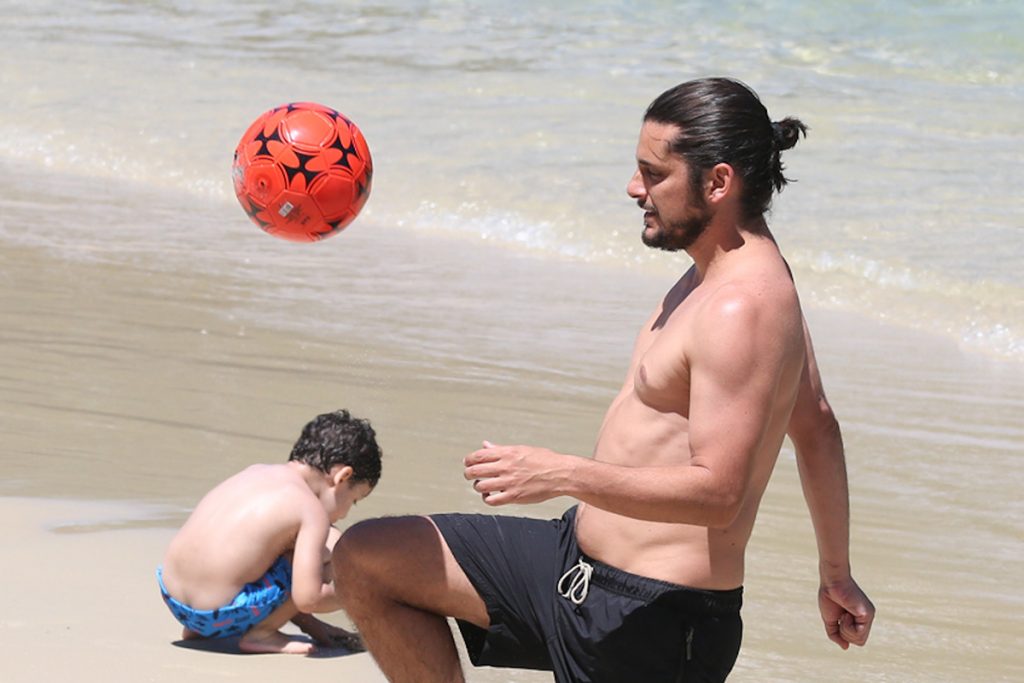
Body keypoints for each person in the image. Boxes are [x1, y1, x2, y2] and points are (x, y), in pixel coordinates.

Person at [333, 77, 875, 682]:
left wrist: (559, 474)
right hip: (573, 563)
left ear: (718, 182)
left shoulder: (742, 308)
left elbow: (719, 495)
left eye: (654, 173)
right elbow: (817, 424)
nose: (634, 188)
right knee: (368, 559)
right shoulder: (717, 275)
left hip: (652, 620)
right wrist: (836, 574)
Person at [157, 409, 381, 654]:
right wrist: (357, 593)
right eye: (354, 499)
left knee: (274, 547)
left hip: (174, 600)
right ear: (342, 476)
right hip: (218, 613)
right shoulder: (309, 510)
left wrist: (314, 627)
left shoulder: (256, 471)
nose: (346, 512)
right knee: (333, 544)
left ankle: (201, 631)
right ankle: (261, 635)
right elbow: (309, 598)